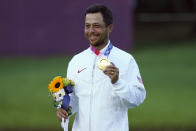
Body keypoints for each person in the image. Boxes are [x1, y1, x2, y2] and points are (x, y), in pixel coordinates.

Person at [56, 4, 146, 131]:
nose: (91, 30)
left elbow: (137, 98)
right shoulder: (76, 61)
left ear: (110, 28)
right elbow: (75, 100)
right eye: (88, 26)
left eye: (96, 26)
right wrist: (64, 108)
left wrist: (117, 82)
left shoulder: (126, 60)